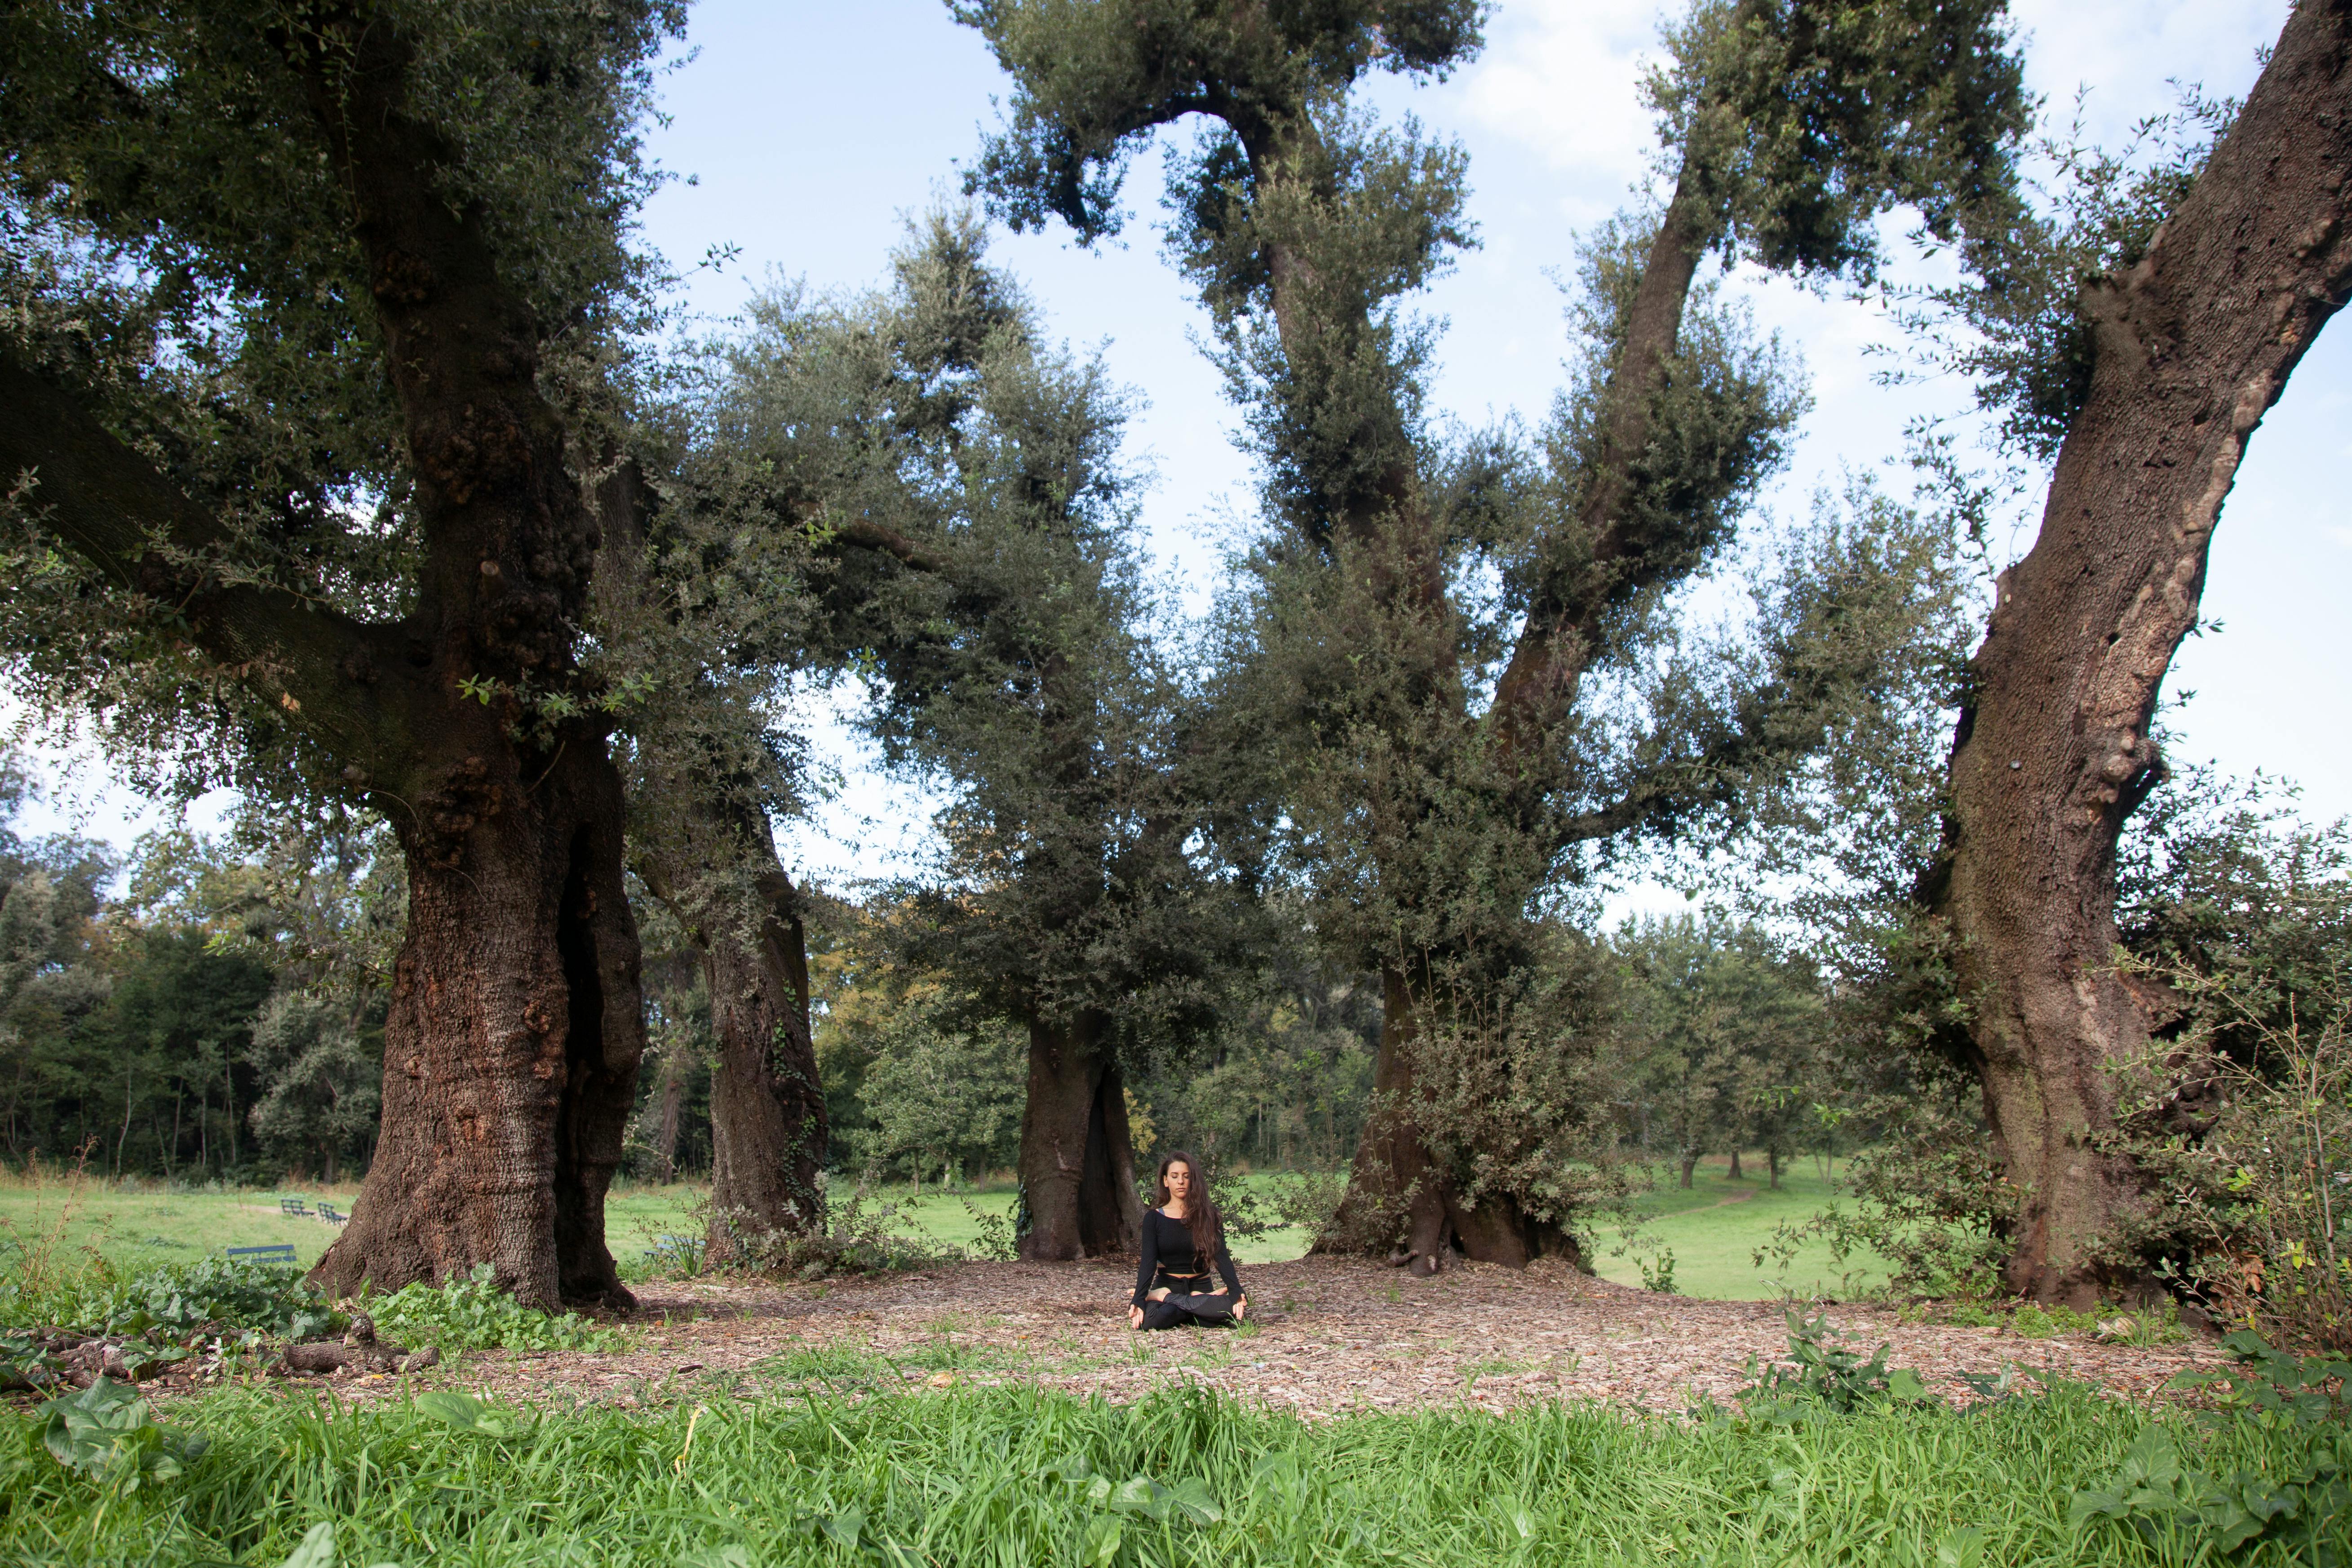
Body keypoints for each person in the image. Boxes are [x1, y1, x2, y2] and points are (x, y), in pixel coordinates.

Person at [1129, 1150, 1247, 1330]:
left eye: (1186, 1176)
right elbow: (1148, 1263)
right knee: (1152, 1321)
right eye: (1174, 1176)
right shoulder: (1153, 1218)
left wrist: (1237, 1291)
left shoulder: (1210, 1215)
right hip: (1167, 1284)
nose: (1181, 1181)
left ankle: (1168, 1299)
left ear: (1193, 1180)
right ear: (1166, 1181)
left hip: (1201, 1285)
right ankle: (1197, 1306)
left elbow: (1222, 1257)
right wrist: (1139, 1298)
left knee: (1232, 1312)